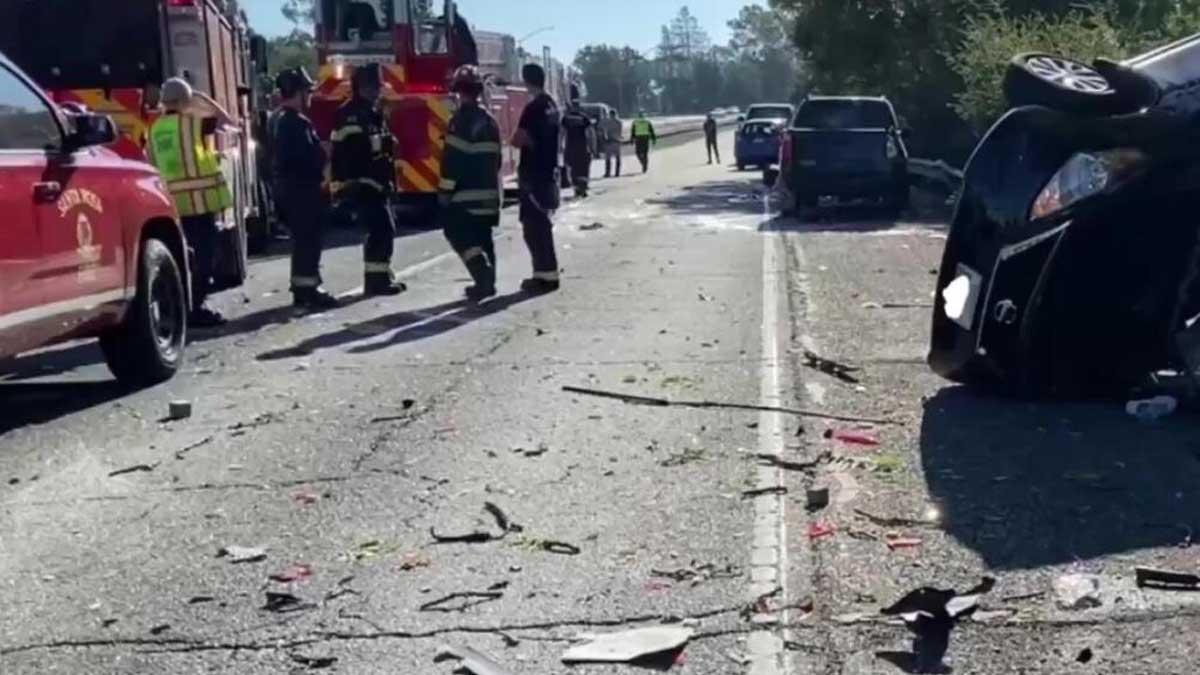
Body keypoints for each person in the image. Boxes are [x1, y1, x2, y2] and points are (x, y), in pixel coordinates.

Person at [146, 77, 235, 327]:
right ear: (186, 101)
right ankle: (196, 309)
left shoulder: (154, 129)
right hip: (200, 202)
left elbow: (151, 164)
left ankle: (179, 309)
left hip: (172, 205)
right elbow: (228, 122)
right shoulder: (194, 123)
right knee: (204, 257)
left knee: (180, 258)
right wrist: (200, 97)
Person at [331, 63, 405, 296]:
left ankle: (379, 277)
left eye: (377, 87)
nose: (376, 91)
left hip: (376, 180)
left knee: (382, 228)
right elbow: (353, 150)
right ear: (361, 87)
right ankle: (377, 282)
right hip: (363, 181)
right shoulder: (352, 113)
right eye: (372, 87)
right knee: (381, 229)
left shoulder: (372, 112)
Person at [273, 67, 339, 310]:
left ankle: (304, 288)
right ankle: (308, 290)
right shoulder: (295, 123)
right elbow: (307, 158)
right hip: (302, 191)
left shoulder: (282, 121)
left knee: (304, 240)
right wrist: (325, 153)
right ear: (297, 93)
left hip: (292, 190)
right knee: (308, 241)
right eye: (306, 91)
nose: (309, 96)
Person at [440, 65, 502, 302]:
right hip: (488, 195)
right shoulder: (490, 121)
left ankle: (482, 276)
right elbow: (496, 160)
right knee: (483, 238)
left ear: (458, 91)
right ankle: (488, 284)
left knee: (457, 233)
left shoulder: (460, 122)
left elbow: (452, 162)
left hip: (465, 196)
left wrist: (445, 192)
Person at [511, 63, 562, 294]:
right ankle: (545, 273)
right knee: (542, 224)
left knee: (533, 227)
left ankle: (544, 275)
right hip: (548, 171)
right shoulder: (552, 105)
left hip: (533, 173)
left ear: (526, 81)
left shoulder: (533, 108)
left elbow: (519, 139)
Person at [561, 98, 595, 198]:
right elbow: (590, 133)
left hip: (570, 147)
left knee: (573, 169)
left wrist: (560, 147)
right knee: (583, 169)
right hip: (583, 147)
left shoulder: (566, 119)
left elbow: (562, 133)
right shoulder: (584, 118)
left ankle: (576, 189)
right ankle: (583, 188)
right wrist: (592, 146)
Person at [599, 109, 623, 178]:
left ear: (610, 114)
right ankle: (617, 173)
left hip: (609, 141)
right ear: (615, 114)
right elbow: (620, 131)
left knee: (608, 158)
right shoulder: (619, 122)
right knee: (618, 157)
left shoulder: (607, 122)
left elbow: (601, 128)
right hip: (617, 141)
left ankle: (607, 173)